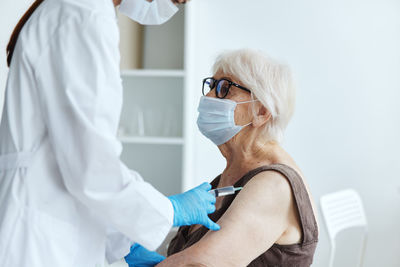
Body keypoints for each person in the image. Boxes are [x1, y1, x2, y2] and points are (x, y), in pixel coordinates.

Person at [0, 0, 219, 266]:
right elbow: (91, 170)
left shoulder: (79, 11)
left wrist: (123, 243)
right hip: (36, 244)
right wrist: (169, 210)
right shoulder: (84, 16)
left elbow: (74, 164)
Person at [154, 49, 319, 266]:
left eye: (225, 88)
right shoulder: (236, 172)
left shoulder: (274, 185)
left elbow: (199, 264)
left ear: (261, 111)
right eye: (211, 85)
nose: (209, 96)